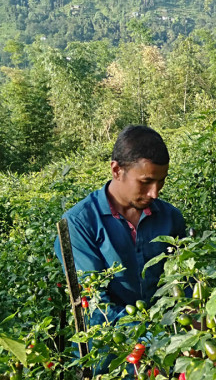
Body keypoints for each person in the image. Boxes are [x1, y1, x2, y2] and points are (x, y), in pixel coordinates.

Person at [56, 125, 186, 329]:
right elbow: (95, 306)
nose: (154, 193)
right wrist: (151, 337)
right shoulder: (79, 224)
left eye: (161, 182)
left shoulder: (170, 218)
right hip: (110, 350)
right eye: (146, 182)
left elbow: (184, 284)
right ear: (116, 170)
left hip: (170, 342)